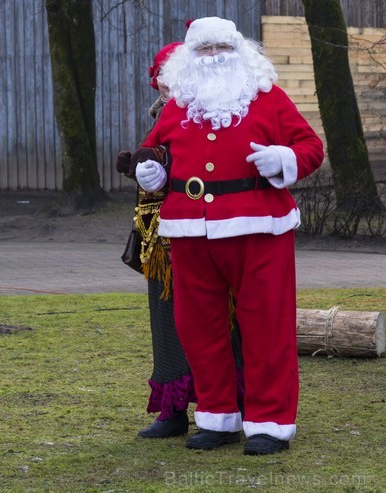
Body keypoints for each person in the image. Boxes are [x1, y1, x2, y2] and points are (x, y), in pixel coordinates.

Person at [135, 17, 324, 455]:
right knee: (198, 328)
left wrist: (283, 158)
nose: (214, 56)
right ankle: (218, 418)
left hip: (258, 227)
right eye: (204, 49)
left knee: (266, 326)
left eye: (222, 47)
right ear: (189, 57)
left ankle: (270, 423)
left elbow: (311, 148)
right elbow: (154, 152)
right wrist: (153, 172)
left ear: (240, 51)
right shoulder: (179, 105)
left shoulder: (268, 98)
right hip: (190, 230)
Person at [116, 42, 244, 439]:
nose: (169, 89)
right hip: (161, 244)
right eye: (164, 83)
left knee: (226, 323)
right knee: (167, 325)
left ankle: (233, 405)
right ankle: (172, 409)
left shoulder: (215, 114)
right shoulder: (164, 118)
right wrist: (138, 168)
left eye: (175, 81)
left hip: (210, 237)